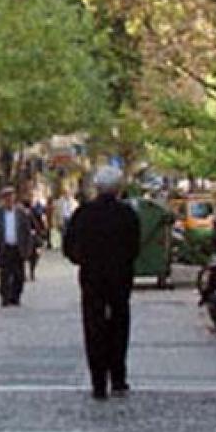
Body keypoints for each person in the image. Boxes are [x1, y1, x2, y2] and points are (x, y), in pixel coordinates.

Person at [63, 166, 140, 400]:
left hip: (92, 277)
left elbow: (69, 246)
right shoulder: (127, 214)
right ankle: (118, 378)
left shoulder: (84, 214)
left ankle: (98, 382)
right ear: (118, 188)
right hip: (119, 277)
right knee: (119, 325)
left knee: (93, 326)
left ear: (96, 187)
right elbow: (135, 246)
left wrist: (83, 260)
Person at [0, 186, 34, 306]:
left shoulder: (21, 213)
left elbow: (27, 231)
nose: (9, 200)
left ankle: (15, 296)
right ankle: (5, 297)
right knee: (4, 274)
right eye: (6, 198)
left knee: (19, 275)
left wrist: (28, 248)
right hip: (4, 247)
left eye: (11, 197)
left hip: (18, 247)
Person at [23, 194, 47, 282]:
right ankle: (29, 273)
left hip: (31, 237)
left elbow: (38, 222)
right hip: (29, 237)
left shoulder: (33, 211)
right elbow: (39, 223)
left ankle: (30, 273)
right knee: (31, 256)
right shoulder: (23, 213)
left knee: (32, 256)